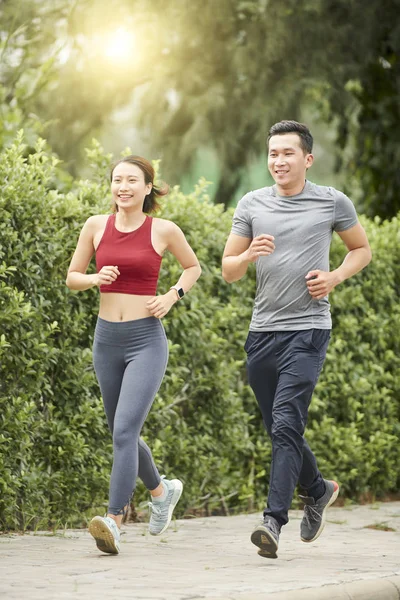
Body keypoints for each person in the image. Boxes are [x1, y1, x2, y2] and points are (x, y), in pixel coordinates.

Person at [222, 120, 371, 559]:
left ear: (307, 158)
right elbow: (228, 270)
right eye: (272, 153)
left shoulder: (330, 201)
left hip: (308, 330)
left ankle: (273, 522)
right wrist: (247, 255)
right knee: (279, 427)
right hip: (262, 333)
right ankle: (318, 488)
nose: (278, 161)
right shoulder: (252, 203)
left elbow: (360, 249)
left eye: (287, 153)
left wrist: (336, 276)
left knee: (286, 423)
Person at [66, 155, 201, 555]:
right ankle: (162, 493)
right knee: (122, 432)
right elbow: (73, 277)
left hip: (146, 340)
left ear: (147, 188)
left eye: (131, 181)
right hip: (106, 339)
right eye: (117, 180)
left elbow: (192, 268)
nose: (122, 187)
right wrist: (94, 277)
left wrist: (172, 296)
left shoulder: (163, 230)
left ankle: (113, 520)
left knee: (124, 431)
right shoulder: (95, 226)